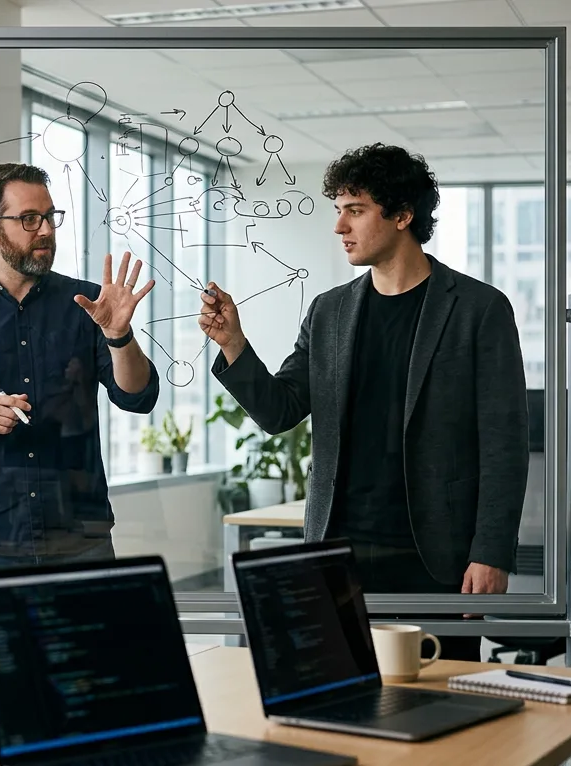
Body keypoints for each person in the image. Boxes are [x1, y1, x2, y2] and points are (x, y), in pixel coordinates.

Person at [198, 143, 529, 662]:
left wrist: (492, 552)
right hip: (337, 551)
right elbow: (280, 410)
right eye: (339, 210)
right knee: (339, 693)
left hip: (436, 558)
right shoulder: (329, 311)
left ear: (402, 215)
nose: (339, 226)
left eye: (355, 210)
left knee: (440, 703)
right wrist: (234, 345)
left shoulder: (478, 309)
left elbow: (504, 443)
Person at [0, 163, 160, 587]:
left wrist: (119, 335)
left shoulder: (88, 304)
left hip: (80, 541)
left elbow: (137, 396)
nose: (46, 230)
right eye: (29, 219)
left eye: (50, 217)